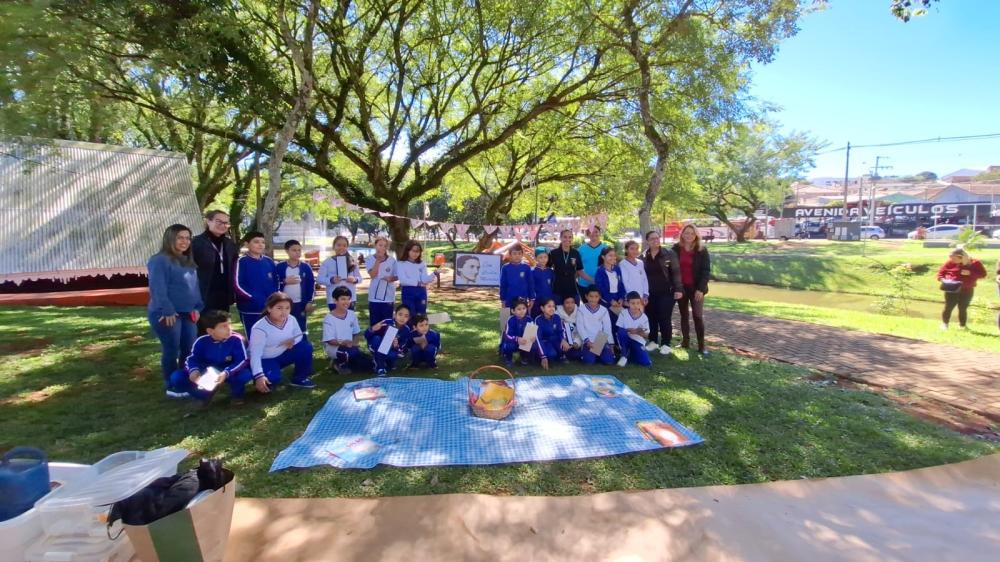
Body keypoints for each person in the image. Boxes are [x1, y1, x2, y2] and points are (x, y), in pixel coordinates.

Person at [148, 224, 203, 385]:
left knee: (189, 349)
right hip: (168, 314)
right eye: (180, 237)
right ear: (170, 238)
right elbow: (158, 288)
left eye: (187, 238)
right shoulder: (159, 260)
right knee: (172, 349)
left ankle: (185, 380)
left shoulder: (188, 261)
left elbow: (194, 288)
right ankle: (171, 383)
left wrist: (198, 308)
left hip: (189, 313)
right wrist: (167, 310)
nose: (184, 241)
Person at [166, 310, 249, 404]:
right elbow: (192, 359)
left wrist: (226, 373)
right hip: (208, 372)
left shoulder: (236, 339)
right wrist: (193, 370)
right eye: (224, 326)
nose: (229, 328)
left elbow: (242, 360)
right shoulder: (201, 341)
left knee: (244, 374)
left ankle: (237, 395)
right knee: (176, 377)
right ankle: (204, 395)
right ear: (210, 331)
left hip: (228, 371)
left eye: (229, 324)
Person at [247, 292, 316, 391]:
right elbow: (255, 354)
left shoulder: (291, 319)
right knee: (272, 381)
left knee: (305, 347)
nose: (284, 312)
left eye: (287, 308)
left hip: (283, 354)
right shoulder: (259, 328)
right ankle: (261, 376)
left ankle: (300, 378)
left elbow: (299, 335)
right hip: (266, 359)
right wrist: (259, 376)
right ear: (269, 308)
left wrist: (293, 341)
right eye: (279, 308)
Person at [191, 210, 239, 320]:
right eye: (219, 221)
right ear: (208, 221)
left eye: (226, 223)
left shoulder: (229, 244)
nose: (223, 225)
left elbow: (235, 268)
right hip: (203, 293)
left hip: (224, 294)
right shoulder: (196, 243)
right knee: (204, 327)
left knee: (221, 326)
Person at [672, 224, 712, 357]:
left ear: (696, 235)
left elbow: (706, 271)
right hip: (681, 288)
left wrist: (700, 289)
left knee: (697, 316)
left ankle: (701, 346)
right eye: (686, 233)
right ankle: (685, 342)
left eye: (692, 233)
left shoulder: (701, 250)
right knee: (684, 315)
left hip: (696, 289)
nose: (689, 235)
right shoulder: (676, 249)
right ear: (682, 234)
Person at [643, 230, 682, 356]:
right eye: (652, 239)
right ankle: (653, 341)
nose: (655, 240)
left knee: (664, 317)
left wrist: (678, 289)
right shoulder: (643, 256)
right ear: (647, 241)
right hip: (649, 293)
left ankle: (666, 343)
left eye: (657, 238)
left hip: (667, 292)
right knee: (651, 317)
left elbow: (676, 272)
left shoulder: (669, 254)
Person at [234, 231, 278, 333]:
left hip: (269, 308)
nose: (260, 245)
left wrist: (275, 298)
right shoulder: (241, 262)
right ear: (246, 244)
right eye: (256, 242)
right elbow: (237, 284)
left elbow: (276, 281)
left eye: (263, 242)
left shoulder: (269, 261)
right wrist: (252, 298)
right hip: (250, 309)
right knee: (254, 339)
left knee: (271, 338)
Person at [322, 287, 370, 375]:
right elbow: (329, 341)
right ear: (335, 300)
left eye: (348, 299)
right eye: (343, 299)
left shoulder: (351, 314)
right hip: (335, 347)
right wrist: (344, 343)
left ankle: (345, 362)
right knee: (348, 354)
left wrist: (354, 343)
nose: (346, 302)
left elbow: (356, 333)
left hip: (349, 346)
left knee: (368, 365)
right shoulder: (329, 318)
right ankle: (338, 364)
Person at [936, 247, 987, 330]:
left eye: (954, 258)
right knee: (948, 307)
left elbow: (983, 274)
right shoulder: (950, 263)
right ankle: (945, 324)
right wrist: (944, 280)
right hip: (952, 289)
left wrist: (970, 273)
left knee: (963, 308)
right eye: (951, 258)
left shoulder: (975, 263)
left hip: (967, 290)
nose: (952, 260)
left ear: (961, 257)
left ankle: (962, 326)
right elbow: (940, 274)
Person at [276, 239, 316, 334]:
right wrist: (284, 281)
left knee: (300, 328)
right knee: (284, 327)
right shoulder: (279, 267)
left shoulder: (305, 267)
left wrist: (310, 301)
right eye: (294, 250)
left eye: (299, 250)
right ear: (287, 251)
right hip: (283, 304)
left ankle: (302, 345)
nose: (297, 253)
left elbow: (311, 285)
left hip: (300, 304)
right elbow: (274, 283)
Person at [396, 240, 440, 321]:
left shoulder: (422, 263)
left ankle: (421, 332)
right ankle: (409, 332)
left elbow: (424, 280)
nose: (415, 253)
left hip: (421, 292)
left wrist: (434, 273)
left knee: (421, 315)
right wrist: (418, 283)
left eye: (418, 251)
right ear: (407, 250)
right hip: (408, 292)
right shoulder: (400, 263)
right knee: (409, 314)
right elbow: (403, 280)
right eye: (413, 251)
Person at [366, 304, 413, 376]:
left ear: (409, 318)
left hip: (391, 351)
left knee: (392, 357)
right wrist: (372, 329)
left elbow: (402, 349)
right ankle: (380, 368)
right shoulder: (387, 322)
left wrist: (396, 345)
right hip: (375, 345)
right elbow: (367, 335)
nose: (402, 318)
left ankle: (380, 362)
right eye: (400, 314)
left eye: (406, 316)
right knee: (378, 338)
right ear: (395, 314)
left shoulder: (406, 330)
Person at [318, 236, 361, 310]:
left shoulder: (352, 261)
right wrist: (331, 280)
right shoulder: (327, 262)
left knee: (349, 320)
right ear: (334, 246)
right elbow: (319, 279)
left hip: (350, 299)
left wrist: (354, 280)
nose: (341, 247)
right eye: (338, 245)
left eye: (344, 245)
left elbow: (360, 278)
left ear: (347, 247)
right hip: (334, 300)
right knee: (336, 321)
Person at [577, 287, 615, 365]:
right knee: (589, 361)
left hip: (600, 339)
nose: (593, 299)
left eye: (596, 296)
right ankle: (592, 354)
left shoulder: (604, 310)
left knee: (609, 361)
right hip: (588, 340)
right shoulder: (581, 309)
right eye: (591, 296)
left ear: (599, 297)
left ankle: (598, 353)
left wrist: (611, 344)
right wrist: (587, 341)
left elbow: (607, 327)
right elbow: (580, 327)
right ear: (586, 296)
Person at [367, 237, 398, 327]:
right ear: (375, 246)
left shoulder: (392, 260)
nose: (382, 248)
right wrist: (378, 261)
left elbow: (397, 276)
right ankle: (375, 340)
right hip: (374, 297)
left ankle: (388, 341)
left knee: (388, 324)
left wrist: (391, 278)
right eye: (380, 245)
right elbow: (372, 275)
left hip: (388, 296)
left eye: (385, 246)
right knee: (375, 323)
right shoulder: (369, 259)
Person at [594, 246, 626, 337]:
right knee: (607, 325)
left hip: (617, 302)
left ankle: (617, 345)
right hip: (606, 302)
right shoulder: (600, 271)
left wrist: (621, 298)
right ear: (603, 257)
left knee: (619, 323)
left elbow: (620, 285)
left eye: (614, 256)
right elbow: (601, 289)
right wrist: (610, 300)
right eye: (610, 255)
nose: (613, 258)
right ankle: (601, 347)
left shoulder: (617, 269)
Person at [615, 291, 652, 368]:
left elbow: (647, 335)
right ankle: (624, 355)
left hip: (637, 340)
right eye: (633, 303)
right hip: (625, 339)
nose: (635, 306)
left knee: (646, 363)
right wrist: (629, 330)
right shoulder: (623, 313)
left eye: (638, 303)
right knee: (621, 332)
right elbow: (619, 329)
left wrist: (637, 332)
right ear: (628, 303)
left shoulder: (644, 317)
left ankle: (631, 354)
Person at [549, 229, 584, 306]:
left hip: (572, 286)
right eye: (565, 237)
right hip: (558, 287)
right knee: (557, 311)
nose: (567, 239)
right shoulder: (553, 253)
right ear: (560, 238)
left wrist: (592, 280)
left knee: (574, 311)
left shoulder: (575, 253)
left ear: (572, 239)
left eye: (570, 237)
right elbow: (547, 269)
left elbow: (580, 271)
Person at [533, 298, 569, 369]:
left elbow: (561, 330)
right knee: (551, 354)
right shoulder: (538, 320)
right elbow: (538, 339)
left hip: (554, 341)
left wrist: (563, 339)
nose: (552, 308)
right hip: (544, 342)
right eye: (549, 306)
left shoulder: (557, 317)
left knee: (564, 346)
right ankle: (541, 358)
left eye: (553, 306)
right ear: (542, 308)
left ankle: (561, 356)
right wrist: (543, 356)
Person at [499, 299, 534, 367]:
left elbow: (532, 333)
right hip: (512, 341)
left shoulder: (529, 319)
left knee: (531, 344)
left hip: (524, 342)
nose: (522, 311)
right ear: (513, 311)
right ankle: (508, 359)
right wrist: (517, 339)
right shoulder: (510, 320)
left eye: (524, 308)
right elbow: (507, 335)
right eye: (519, 309)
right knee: (508, 346)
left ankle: (524, 358)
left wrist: (533, 337)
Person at [499, 245, 535, 312]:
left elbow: (530, 284)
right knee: (507, 320)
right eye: (514, 253)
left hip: (523, 298)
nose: (517, 256)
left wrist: (531, 298)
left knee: (523, 320)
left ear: (522, 255)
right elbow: (503, 285)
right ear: (510, 255)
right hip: (509, 299)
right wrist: (503, 300)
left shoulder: (526, 267)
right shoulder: (505, 268)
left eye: (519, 253)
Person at [619, 240, 649, 306]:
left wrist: (645, 294)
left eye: (636, 249)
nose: (635, 251)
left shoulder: (640, 263)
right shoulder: (623, 264)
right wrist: (635, 297)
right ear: (626, 250)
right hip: (631, 298)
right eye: (632, 249)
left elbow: (644, 279)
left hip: (642, 297)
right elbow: (625, 282)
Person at [576, 226, 605, 291]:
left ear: (600, 233)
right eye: (591, 232)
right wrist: (590, 279)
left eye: (596, 232)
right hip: (584, 284)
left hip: (601, 284)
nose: (594, 234)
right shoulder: (581, 249)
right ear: (588, 234)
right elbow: (577, 267)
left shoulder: (605, 248)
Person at [557, 294, 584, 360]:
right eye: (567, 303)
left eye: (572, 302)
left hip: (574, 339)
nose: (570, 305)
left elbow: (581, 330)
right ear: (563, 304)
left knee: (577, 355)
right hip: (562, 339)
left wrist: (576, 343)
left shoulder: (579, 312)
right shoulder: (557, 312)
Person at [531, 248, 555, 318]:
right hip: (536, 302)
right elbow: (530, 287)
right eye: (540, 257)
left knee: (547, 319)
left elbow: (552, 286)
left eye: (545, 257)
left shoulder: (550, 272)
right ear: (535, 258)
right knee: (534, 321)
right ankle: (531, 329)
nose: (543, 259)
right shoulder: (532, 271)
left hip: (548, 301)